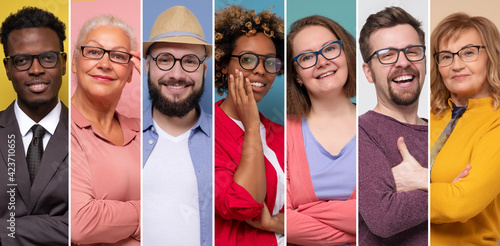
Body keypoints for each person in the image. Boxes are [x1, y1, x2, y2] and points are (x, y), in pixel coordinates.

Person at [214, 5, 285, 245]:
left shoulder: (284, 135)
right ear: (223, 64)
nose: (260, 70)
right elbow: (245, 206)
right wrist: (252, 126)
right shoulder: (203, 132)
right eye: (247, 60)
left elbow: (310, 210)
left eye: (270, 63)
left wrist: (274, 222)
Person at [358, 7, 429, 245]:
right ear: (368, 72)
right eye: (387, 55)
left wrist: (425, 179)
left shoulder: (447, 129)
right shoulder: (360, 132)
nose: (403, 62)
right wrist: (453, 188)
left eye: (412, 51)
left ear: (425, 60)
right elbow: (384, 217)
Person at [142, 6, 212, 246]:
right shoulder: (121, 135)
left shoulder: (226, 139)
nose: (177, 74)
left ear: (204, 70)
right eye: (165, 60)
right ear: (147, 66)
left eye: (190, 61)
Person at [430, 13, 500, 245]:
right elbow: (376, 192)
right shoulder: (427, 116)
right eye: (446, 56)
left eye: (468, 52)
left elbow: (460, 204)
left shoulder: (496, 122)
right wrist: (442, 191)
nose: (456, 65)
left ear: (491, 56)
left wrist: (413, 185)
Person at [70, 15, 141, 245]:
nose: (104, 64)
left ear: (131, 71)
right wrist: (150, 210)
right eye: (93, 52)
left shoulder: (144, 131)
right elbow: (81, 224)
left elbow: (183, 206)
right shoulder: (59, 127)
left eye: (119, 56)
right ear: (74, 61)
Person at [0, 6, 68, 245]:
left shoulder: (90, 134)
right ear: (7, 68)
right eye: (22, 61)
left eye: (48, 58)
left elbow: (86, 223)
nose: (36, 69)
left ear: (63, 62)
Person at [286, 15, 356, 246]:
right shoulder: (284, 133)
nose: (322, 61)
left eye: (330, 49)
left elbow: (385, 214)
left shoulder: (378, 124)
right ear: (296, 75)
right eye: (307, 57)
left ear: (346, 54)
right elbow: (284, 222)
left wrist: (306, 211)